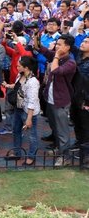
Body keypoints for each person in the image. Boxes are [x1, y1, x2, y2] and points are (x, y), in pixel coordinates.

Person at [36, 34, 77, 165]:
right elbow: (45, 51)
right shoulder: (58, 57)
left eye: (60, 45)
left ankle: (65, 157)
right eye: (57, 44)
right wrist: (37, 42)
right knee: (55, 127)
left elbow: (55, 70)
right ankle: (59, 149)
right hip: (50, 98)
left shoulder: (70, 62)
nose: (56, 46)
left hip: (61, 100)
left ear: (68, 47)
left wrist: (56, 55)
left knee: (62, 130)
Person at [3, 56, 41, 165]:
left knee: (31, 135)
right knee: (16, 131)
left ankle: (31, 156)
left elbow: (32, 101)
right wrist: (8, 85)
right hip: (18, 108)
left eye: (19, 66)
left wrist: (28, 119)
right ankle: (17, 152)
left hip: (28, 112)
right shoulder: (20, 76)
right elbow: (17, 86)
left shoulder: (33, 82)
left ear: (26, 68)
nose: (17, 67)